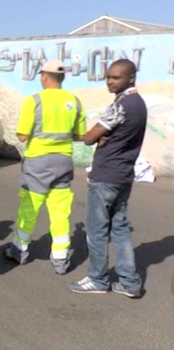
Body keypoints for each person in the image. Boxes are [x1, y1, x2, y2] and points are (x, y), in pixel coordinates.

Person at [68, 59, 146, 297]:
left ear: (130, 77)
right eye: (108, 77)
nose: (110, 82)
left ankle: (98, 279)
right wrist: (102, 135)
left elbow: (90, 137)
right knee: (120, 228)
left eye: (116, 78)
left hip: (106, 175)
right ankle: (129, 282)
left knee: (96, 230)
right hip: (123, 174)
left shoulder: (122, 105)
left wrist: (95, 135)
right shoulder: (140, 104)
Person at [4, 59, 86, 275]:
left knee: (29, 207)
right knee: (60, 211)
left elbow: (22, 135)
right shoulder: (74, 101)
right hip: (64, 161)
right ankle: (60, 259)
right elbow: (79, 135)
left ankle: (19, 250)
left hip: (37, 162)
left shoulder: (35, 101)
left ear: (44, 76)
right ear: (63, 78)